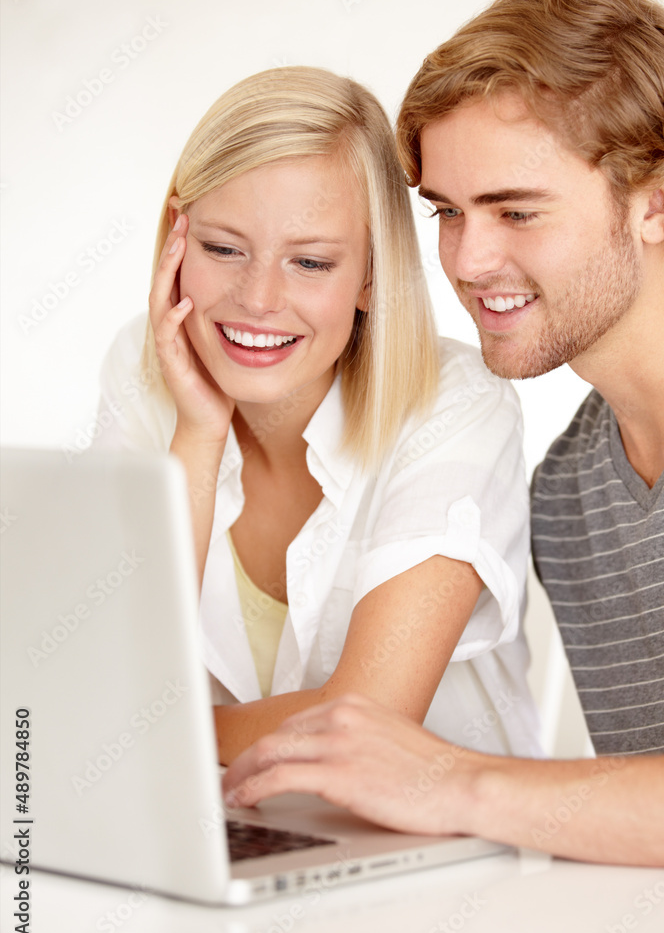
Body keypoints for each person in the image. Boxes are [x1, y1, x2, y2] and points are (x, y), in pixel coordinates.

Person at [221, 0, 664, 872]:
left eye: (515, 211)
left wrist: (454, 782)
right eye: (447, 212)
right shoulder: (570, 492)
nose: (465, 259)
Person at [92, 66, 543, 766]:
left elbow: (366, 719)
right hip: (222, 838)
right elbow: (114, 663)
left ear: (370, 274)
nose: (259, 298)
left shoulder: (457, 402)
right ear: (175, 238)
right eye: (222, 249)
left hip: (428, 857)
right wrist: (199, 436)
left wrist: (146, 738)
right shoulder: (146, 366)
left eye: (308, 262)